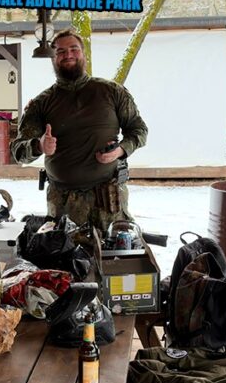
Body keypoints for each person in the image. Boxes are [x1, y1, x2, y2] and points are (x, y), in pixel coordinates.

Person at [11, 29, 148, 231]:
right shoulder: (41, 104)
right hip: (62, 203)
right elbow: (18, 152)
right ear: (53, 58)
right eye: (60, 51)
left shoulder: (113, 92)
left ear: (84, 54)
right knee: (63, 251)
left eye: (74, 49)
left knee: (112, 250)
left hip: (108, 201)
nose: (68, 55)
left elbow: (139, 130)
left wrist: (120, 150)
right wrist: (38, 146)